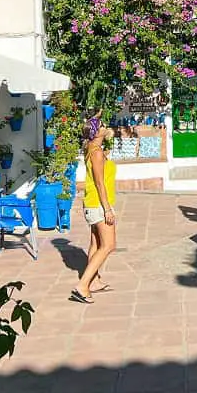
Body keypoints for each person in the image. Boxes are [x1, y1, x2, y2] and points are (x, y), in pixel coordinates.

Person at [71, 113, 117, 304]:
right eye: (103, 125)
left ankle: (94, 280)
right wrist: (107, 208)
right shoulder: (96, 152)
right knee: (108, 245)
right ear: (97, 131)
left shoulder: (93, 148)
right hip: (99, 204)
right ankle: (82, 286)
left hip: (92, 203)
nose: (106, 127)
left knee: (96, 244)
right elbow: (99, 182)